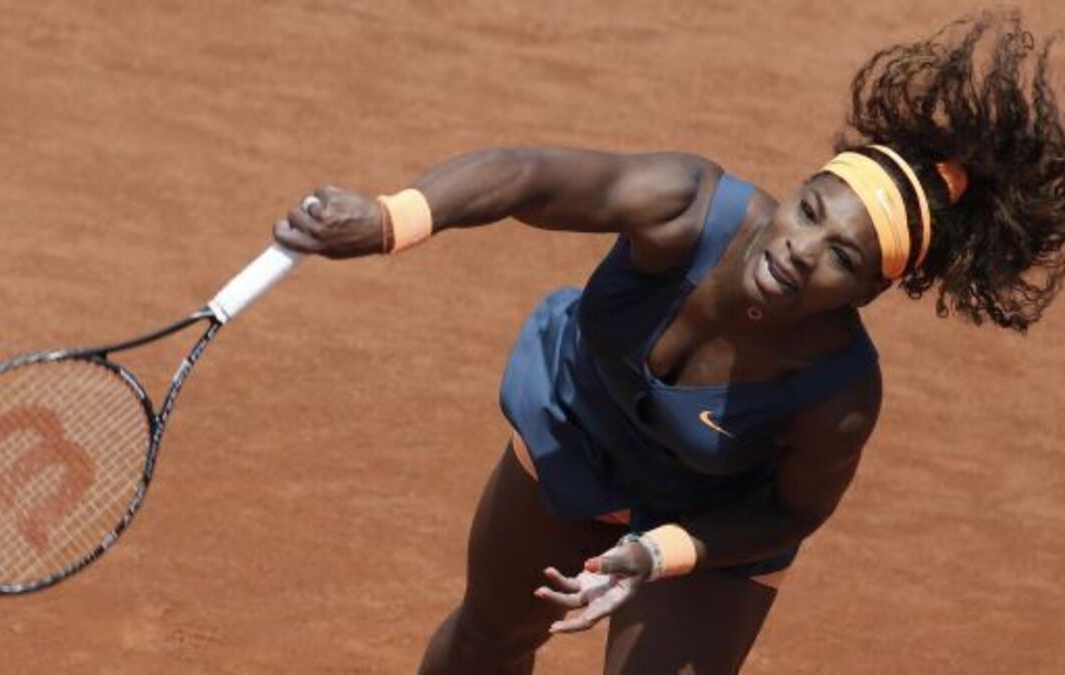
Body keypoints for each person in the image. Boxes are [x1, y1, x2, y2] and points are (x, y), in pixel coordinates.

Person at [273, 11, 1065, 674]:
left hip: (707, 516)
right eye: (810, 211)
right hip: (583, 429)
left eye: (843, 257)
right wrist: (391, 219)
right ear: (795, 191)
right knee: (487, 639)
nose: (802, 249)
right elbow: (527, 174)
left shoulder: (838, 394)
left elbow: (790, 512)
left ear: (868, 292)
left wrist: (662, 552)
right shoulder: (689, 207)